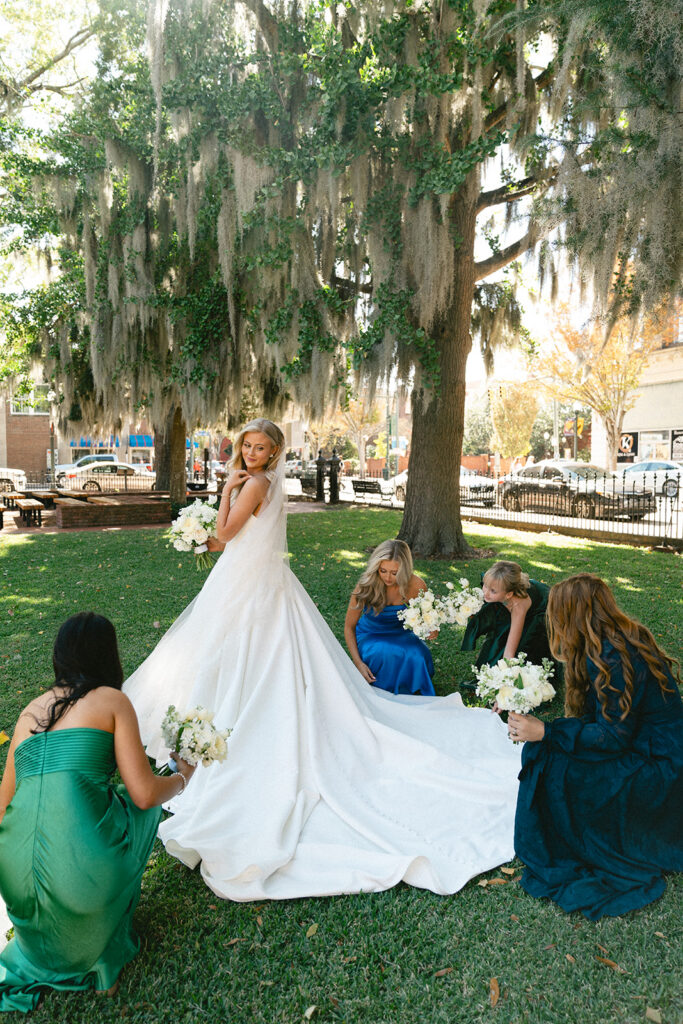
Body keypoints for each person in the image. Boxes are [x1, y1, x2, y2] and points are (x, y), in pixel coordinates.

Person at [124, 418, 522, 902]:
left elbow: (224, 534)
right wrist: (203, 527)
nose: (251, 453)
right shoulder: (261, 481)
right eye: (246, 446)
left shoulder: (256, 483)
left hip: (253, 585)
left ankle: (236, 722)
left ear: (274, 452)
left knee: (254, 651)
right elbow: (218, 541)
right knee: (227, 651)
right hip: (247, 579)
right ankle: (220, 714)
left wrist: (225, 489)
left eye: (261, 447)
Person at [0, 613, 195, 1013]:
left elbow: (3, 806)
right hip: (80, 875)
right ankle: (100, 951)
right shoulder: (112, 701)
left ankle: (49, 938)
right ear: (110, 656)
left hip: (15, 881)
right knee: (134, 810)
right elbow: (143, 796)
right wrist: (182, 779)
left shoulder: (27, 714)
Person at [509, 574, 683, 920]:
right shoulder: (614, 639)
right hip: (648, 743)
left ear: (574, 614)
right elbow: (605, 722)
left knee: (553, 761)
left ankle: (569, 837)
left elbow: (613, 738)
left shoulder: (614, 655)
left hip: (659, 762)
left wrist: (546, 731)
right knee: (547, 750)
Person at [344, 539, 436, 696]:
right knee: (382, 652)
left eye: (395, 573)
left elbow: (428, 621)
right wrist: (358, 663)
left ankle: (411, 691)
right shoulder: (365, 585)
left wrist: (431, 630)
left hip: (402, 634)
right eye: (383, 571)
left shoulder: (417, 585)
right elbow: (348, 627)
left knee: (417, 655)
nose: (387, 578)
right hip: (371, 634)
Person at [461, 561, 554, 669]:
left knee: (526, 641)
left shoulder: (518, 606)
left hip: (541, 607)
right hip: (509, 597)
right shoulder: (495, 585)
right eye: (485, 586)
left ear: (508, 594)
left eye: (493, 591)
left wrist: (504, 673)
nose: (485, 593)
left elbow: (510, 650)